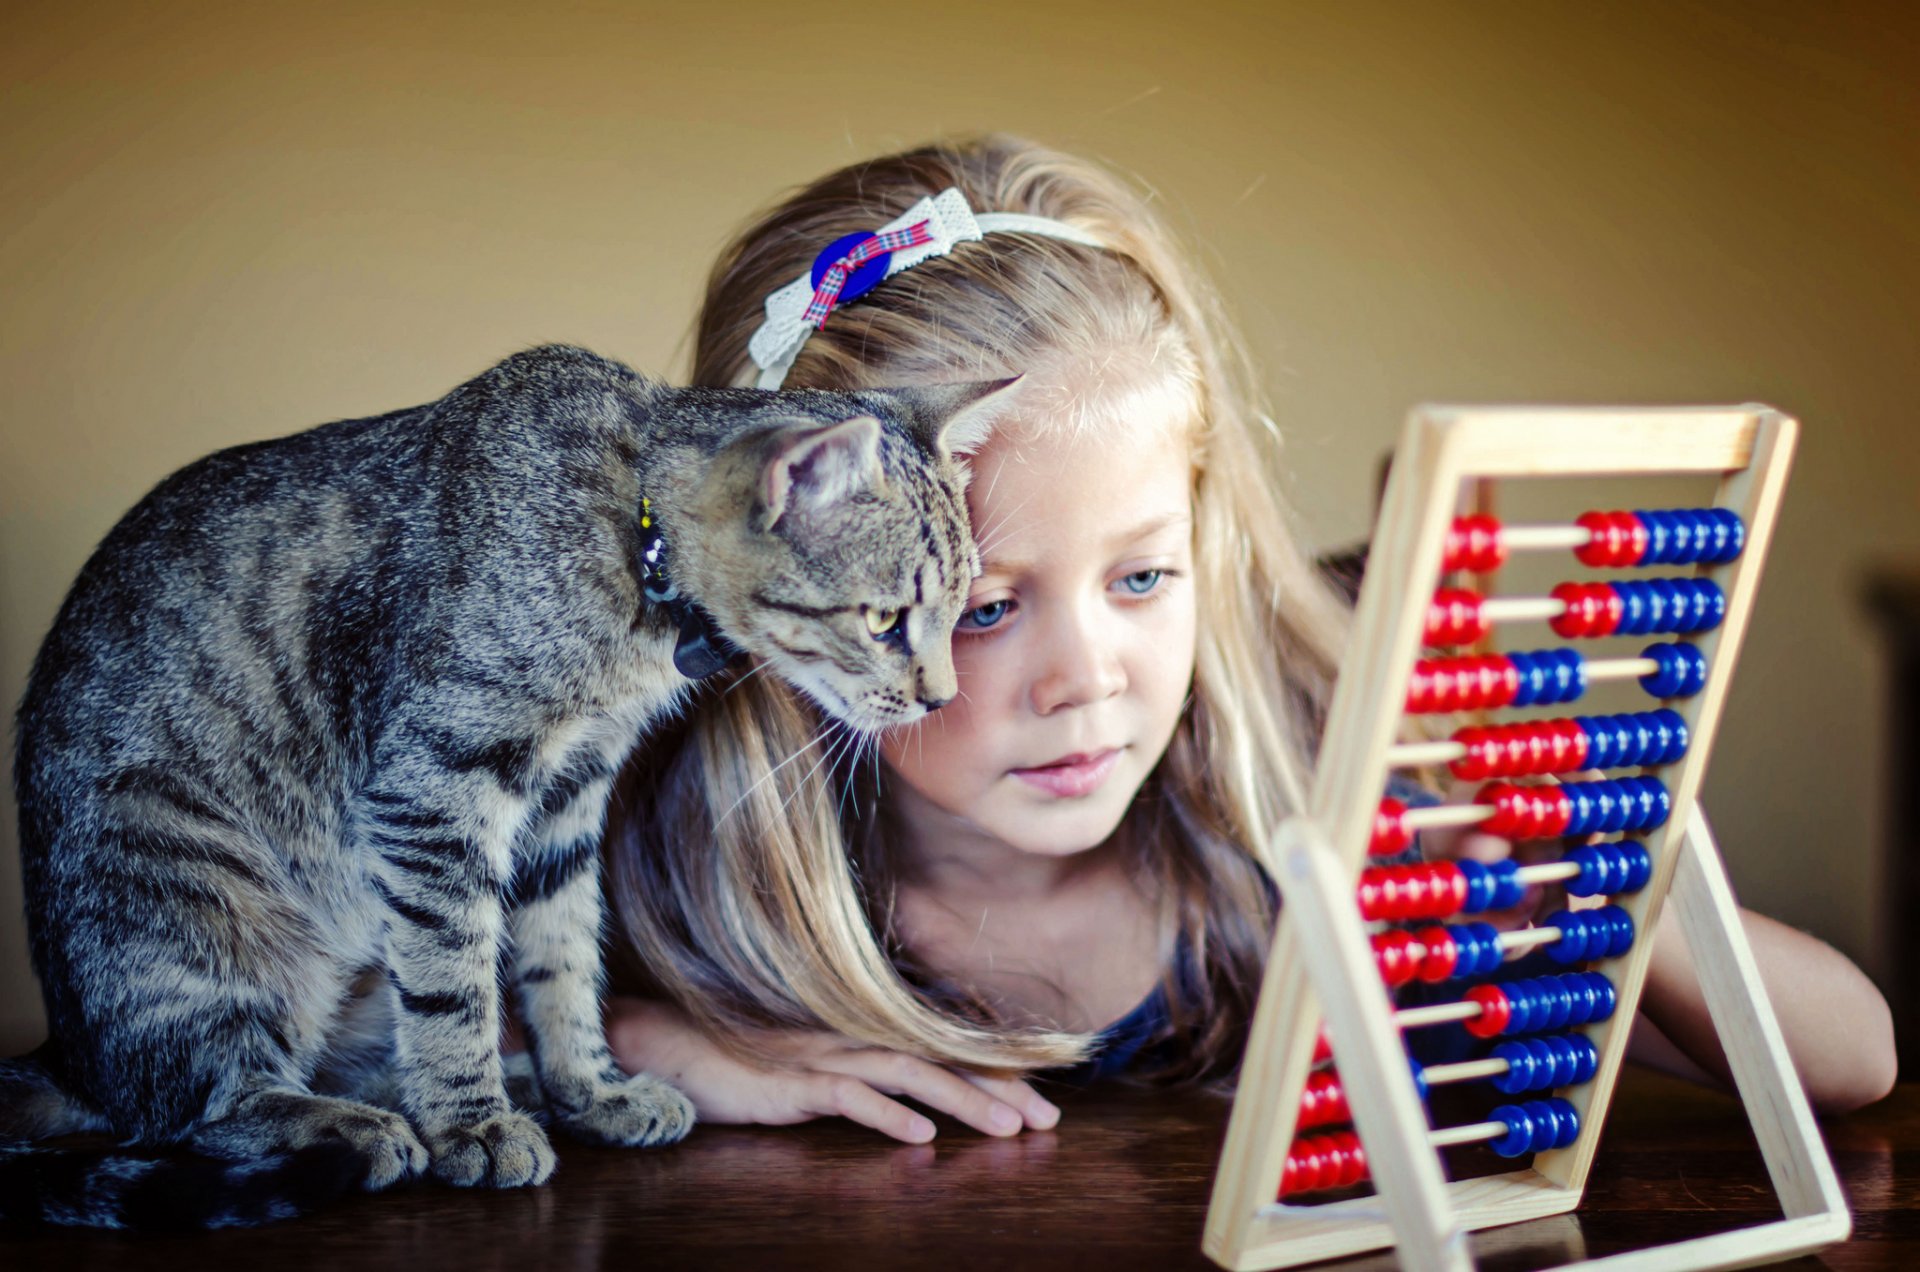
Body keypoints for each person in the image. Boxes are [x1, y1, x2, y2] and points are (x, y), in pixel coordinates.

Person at [595, 135, 1895, 1145]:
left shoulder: (1314, 795)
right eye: (985, 605)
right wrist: (652, 1046)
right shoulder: (671, 828)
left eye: (1144, 576)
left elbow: (1856, 1061)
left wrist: (1591, 870)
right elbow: (394, 1023)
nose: (1088, 676)